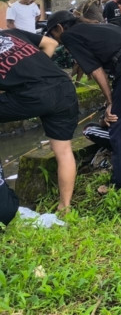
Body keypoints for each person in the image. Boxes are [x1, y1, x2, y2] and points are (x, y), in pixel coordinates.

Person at [46, 10, 121, 190]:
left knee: (120, 122)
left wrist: (110, 101)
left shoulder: (69, 35)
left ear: (60, 27)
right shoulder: (95, 26)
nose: (57, 39)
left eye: (53, 33)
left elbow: (96, 70)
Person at [0, 27, 78, 211]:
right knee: (64, 151)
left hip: (32, 96)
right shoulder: (11, 33)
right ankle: (65, 207)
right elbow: (51, 43)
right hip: (63, 87)